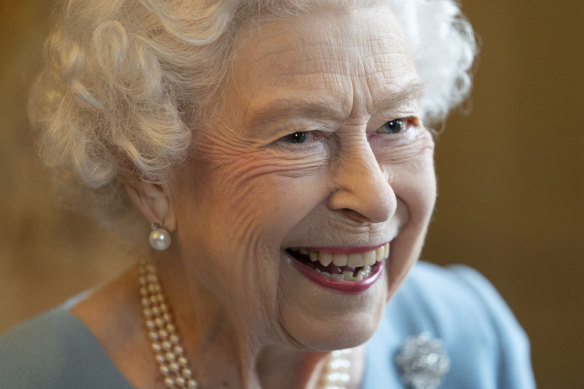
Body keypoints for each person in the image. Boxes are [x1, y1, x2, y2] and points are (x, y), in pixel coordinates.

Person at [0, 0, 535, 388]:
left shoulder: (471, 334)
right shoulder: (31, 376)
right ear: (151, 177)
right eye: (300, 136)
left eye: (396, 125)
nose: (376, 199)